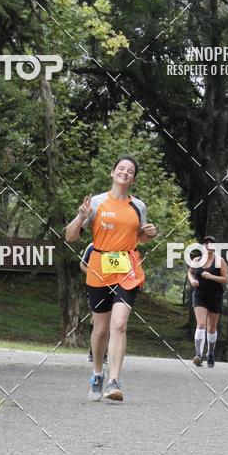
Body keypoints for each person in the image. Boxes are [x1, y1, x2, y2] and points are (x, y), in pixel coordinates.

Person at [65, 155, 157, 401]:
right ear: (112, 172)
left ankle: (114, 381)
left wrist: (150, 233)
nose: (125, 172)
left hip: (127, 268)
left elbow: (141, 237)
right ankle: (98, 373)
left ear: (133, 179)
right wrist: (81, 216)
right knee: (100, 329)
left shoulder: (138, 206)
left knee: (119, 324)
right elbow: (70, 237)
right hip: (99, 268)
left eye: (130, 171)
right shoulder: (96, 202)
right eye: (121, 168)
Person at [188, 236, 228, 367]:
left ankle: (210, 353)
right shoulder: (197, 260)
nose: (209, 245)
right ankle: (198, 355)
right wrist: (192, 280)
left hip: (215, 296)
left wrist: (211, 276)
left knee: (211, 328)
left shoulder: (220, 261)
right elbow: (190, 272)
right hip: (199, 295)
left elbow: (226, 279)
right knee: (201, 324)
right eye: (206, 243)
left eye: (211, 243)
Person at [80, 243, 108, 366]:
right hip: (96, 287)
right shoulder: (92, 246)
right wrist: (93, 276)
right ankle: (93, 351)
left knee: (110, 321)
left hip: (113, 287)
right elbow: (82, 264)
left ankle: (104, 353)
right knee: (96, 319)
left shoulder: (119, 246)